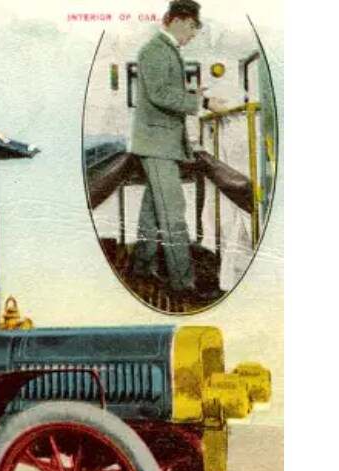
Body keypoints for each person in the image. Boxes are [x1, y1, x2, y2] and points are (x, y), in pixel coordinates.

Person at [130, 0, 226, 300]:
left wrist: (189, 95)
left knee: (152, 214)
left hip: (158, 144)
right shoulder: (156, 49)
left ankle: (142, 269)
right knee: (173, 216)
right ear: (178, 20)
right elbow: (159, 94)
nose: (194, 34)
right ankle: (183, 286)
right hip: (158, 145)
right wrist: (203, 102)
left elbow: (164, 92)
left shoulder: (163, 49)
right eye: (193, 27)